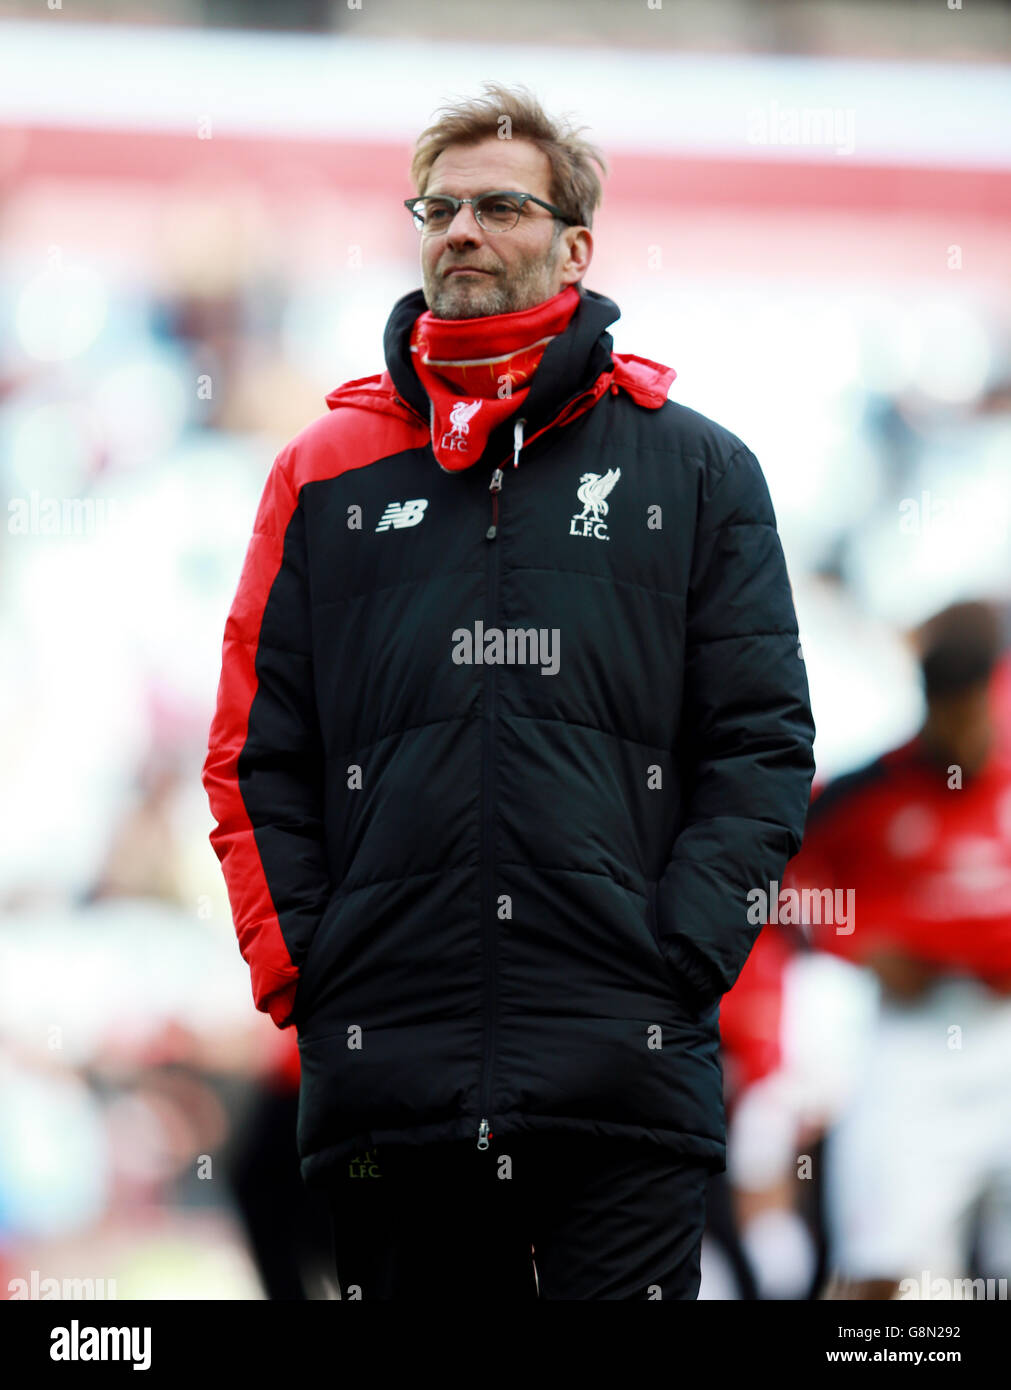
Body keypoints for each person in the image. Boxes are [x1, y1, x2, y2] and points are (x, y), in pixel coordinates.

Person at [202, 82, 816, 1300]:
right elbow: (252, 756)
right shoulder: (318, 474)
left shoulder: (697, 468)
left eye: (498, 205)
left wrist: (678, 956)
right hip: (394, 1068)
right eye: (438, 206)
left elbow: (760, 747)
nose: (459, 230)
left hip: (623, 1060)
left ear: (576, 245)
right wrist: (314, 972)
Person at [782, 599, 1011, 1299]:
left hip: (1002, 1032)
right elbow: (779, 885)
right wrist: (853, 942)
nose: (962, 729)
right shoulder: (865, 793)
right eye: (947, 708)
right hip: (908, 1043)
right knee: (882, 1266)